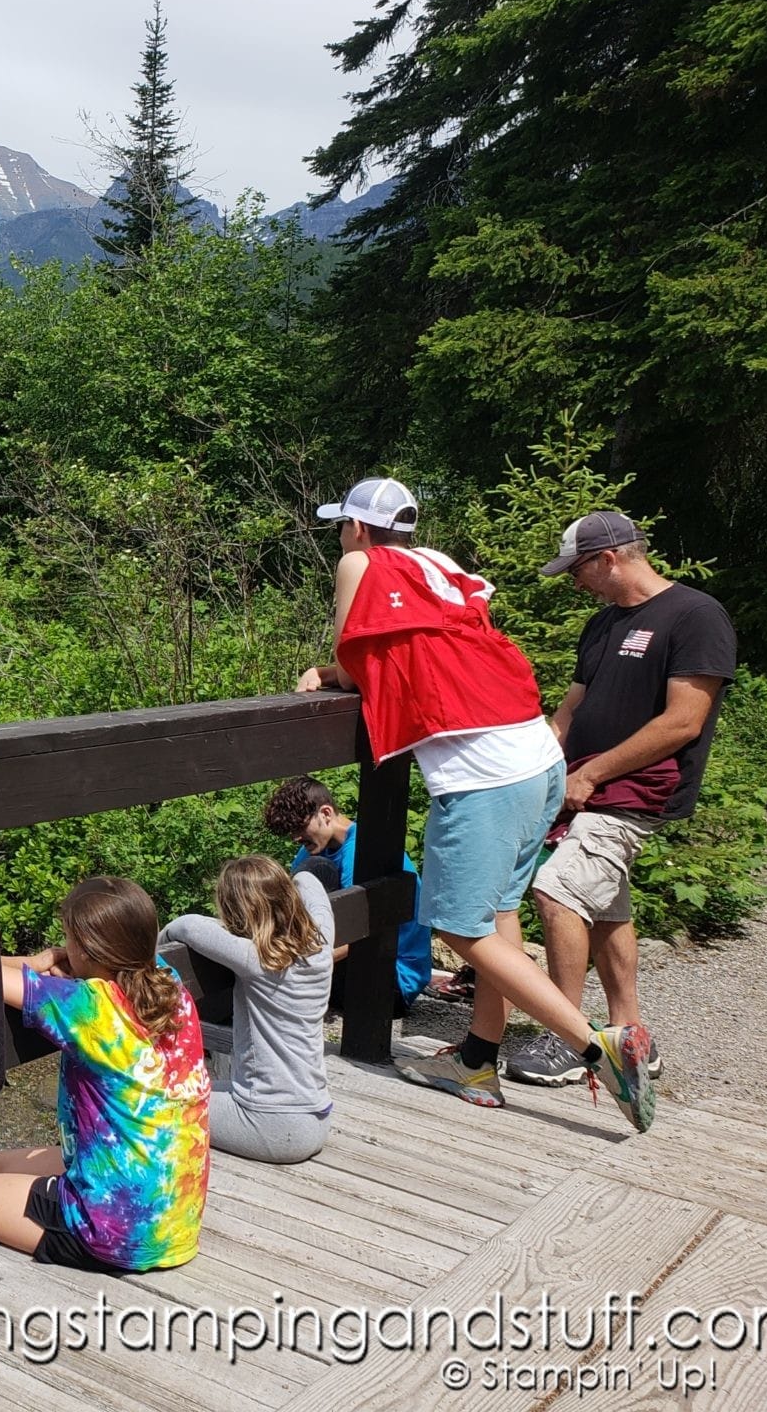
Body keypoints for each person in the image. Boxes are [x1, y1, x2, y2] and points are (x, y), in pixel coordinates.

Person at [293, 476, 653, 1130]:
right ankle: (478, 1061)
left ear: (356, 528)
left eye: (340, 526)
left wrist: (324, 675)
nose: (340, 537)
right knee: (497, 912)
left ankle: (598, 1044)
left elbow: (353, 653)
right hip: (536, 755)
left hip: (484, 774)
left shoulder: (359, 561)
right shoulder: (439, 564)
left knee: (462, 930)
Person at [503, 512, 736, 1087]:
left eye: (577, 569)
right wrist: (543, 768)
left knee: (556, 894)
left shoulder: (695, 615)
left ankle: (569, 1038)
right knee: (604, 909)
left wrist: (595, 773)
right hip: (586, 782)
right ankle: (631, 1039)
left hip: (636, 788)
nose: (573, 581)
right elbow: (572, 707)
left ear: (609, 559)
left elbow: (684, 721)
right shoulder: (603, 624)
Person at [0, 876, 210, 1272]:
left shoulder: (90, 1009)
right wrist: (73, 963)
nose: (63, 947)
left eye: (68, 939)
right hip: (175, 1222)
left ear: (87, 949)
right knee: (2, 1163)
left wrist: (35, 963)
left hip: (110, 1231)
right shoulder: (169, 985)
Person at [161, 856, 333, 1162]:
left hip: (271, 1124)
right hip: (317, 1115)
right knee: (200, 1084)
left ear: (237, 917)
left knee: (152, 1104)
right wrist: (288, 880)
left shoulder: (256, 959)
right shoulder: (320, 941)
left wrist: (157, 951)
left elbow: (186, 926)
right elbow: (310, 881)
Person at [260, 775, 434, 1016]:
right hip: (351, 967)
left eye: (300, 827)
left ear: (326, 813)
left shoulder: (365, 852)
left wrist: (304, 965)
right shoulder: (310, 853)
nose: (295, 837)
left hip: (391, 980)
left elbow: (366, 934)